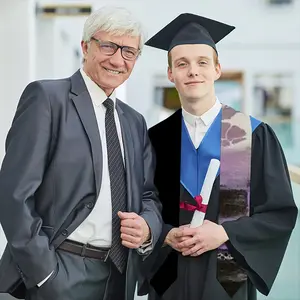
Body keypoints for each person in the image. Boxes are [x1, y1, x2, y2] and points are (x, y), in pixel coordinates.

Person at [0, 6, 162, 300]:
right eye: (108, 46)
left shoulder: (134, 122)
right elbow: (14, 195)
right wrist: (44, 273)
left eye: (129, 52)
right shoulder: (48, 100)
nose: (117, 59)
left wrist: (148, 227)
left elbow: (148, 194)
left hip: (118, 276)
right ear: (85, 46)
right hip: (59, 271)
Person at [137, 13, 298, 300]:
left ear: (217, 69)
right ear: (171, 74)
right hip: (169, 278)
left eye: (202, 62)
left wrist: (226, 234)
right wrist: (165, 234)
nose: (193, 71)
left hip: (227, 280)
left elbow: (279, 213)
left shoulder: (251, 134)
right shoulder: (155, 139)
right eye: (182, 64)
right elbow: (142, 207)